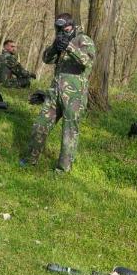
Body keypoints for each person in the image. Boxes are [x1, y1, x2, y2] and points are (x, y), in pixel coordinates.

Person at [21, 13, 96, 173]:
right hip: (55, 92)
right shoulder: (60, 38)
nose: (63, 31)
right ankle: (30, 160)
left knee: (69, 132)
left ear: (73, 25)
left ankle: (62, 170)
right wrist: (56, 46)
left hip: (74, 96)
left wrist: (69, 47)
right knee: (40, 124)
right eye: (59, 29)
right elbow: (46, 59)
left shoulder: (84, 40)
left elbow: (88, 61)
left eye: (66, 28)